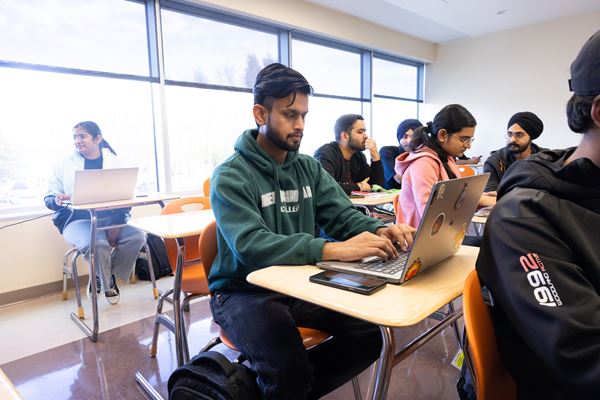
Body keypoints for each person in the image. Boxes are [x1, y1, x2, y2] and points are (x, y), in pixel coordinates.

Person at [209, 63, 416, 399]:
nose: (300, 125)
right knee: (289, 367)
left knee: (368, 336)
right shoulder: (230, 175)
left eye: (304, 115)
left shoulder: (308, 168)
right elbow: (250, 245)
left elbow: (343, 217)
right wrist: (329, 250)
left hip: (298, 283)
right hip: (241, 290)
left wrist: (381, 229)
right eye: (290, 114)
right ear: (260, 114)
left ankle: (286, 392)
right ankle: (286, 386)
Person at [474, 29, 600, 400]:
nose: (513, 139)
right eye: (509, 132)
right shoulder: (525, 214)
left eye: (519, 133)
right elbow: (584, 357)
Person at [44, 121, 146, 305]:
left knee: (138, 237)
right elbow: (49, 197)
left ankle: (101, 275)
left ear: (97, 138)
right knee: (97, 243)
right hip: (75, 221)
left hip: (110, 219)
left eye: (82, 136)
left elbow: (125, 200)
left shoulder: (115, 162)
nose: (77, 140)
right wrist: (56, 199)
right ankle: (108, 282)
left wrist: (115, 228)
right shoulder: (64, 164)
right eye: (75, 137)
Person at [394, 104, 496, 228]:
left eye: (470, 140)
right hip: (420, 242)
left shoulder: (447, 159)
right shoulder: (423, 164)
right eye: (464, 139)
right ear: (442, 135)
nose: (468, 145)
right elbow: (432, 216)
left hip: (443, 237)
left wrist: (482, 197)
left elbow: (455, 196)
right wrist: (477, 200)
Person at [313, 114, 384, 194]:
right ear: (345, 136)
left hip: (356, 205)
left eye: (365, 132)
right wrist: (359, 186)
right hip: (332, 206)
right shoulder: (325, 154)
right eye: (360, 132)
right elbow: (327, 186)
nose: (366, 136)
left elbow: (376, 186)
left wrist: (375, 156)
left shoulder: (359, 156)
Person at [483, 111, 545, 192]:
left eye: (519, 135)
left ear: (531, 137)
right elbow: (490, 195)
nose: (512, 139)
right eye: (509, 134)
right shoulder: (494, 162)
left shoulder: (546, 158)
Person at [379, 119, 423, 189]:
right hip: (387, 198)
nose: (408, 141)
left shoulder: (422, 156)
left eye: (413, 137)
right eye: (405, 136)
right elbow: (398, 178)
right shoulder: (387, 152)